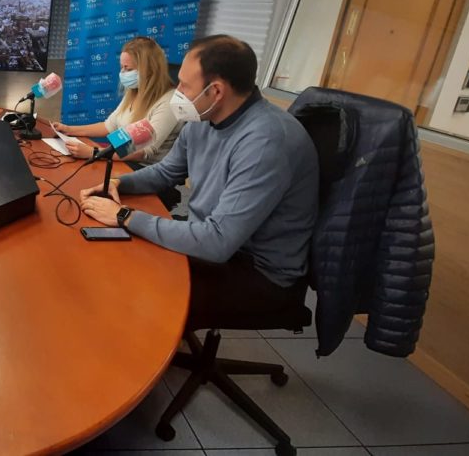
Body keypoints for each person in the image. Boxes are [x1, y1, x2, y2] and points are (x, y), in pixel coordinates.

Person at [80, 35, 319, 322]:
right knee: (115, 260)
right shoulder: (203, 118)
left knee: (131, 292)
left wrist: (124, 216)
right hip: (212, 241)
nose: (177, 92)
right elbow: (167, 171)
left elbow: (217, 242)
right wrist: (118, 184)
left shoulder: (266, 143)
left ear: (215, 91)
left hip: (256, 272)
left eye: (183, 85)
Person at [51, 36, 181, 164]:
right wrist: (68, 129)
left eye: (128, 69)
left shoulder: (169, 102)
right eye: (122, 67)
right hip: (119, 160)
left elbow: (145, 152)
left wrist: (93, 153)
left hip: (143, 169)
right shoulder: (135, 91)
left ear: (149, 70)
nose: (123, 73)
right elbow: (109, 126)